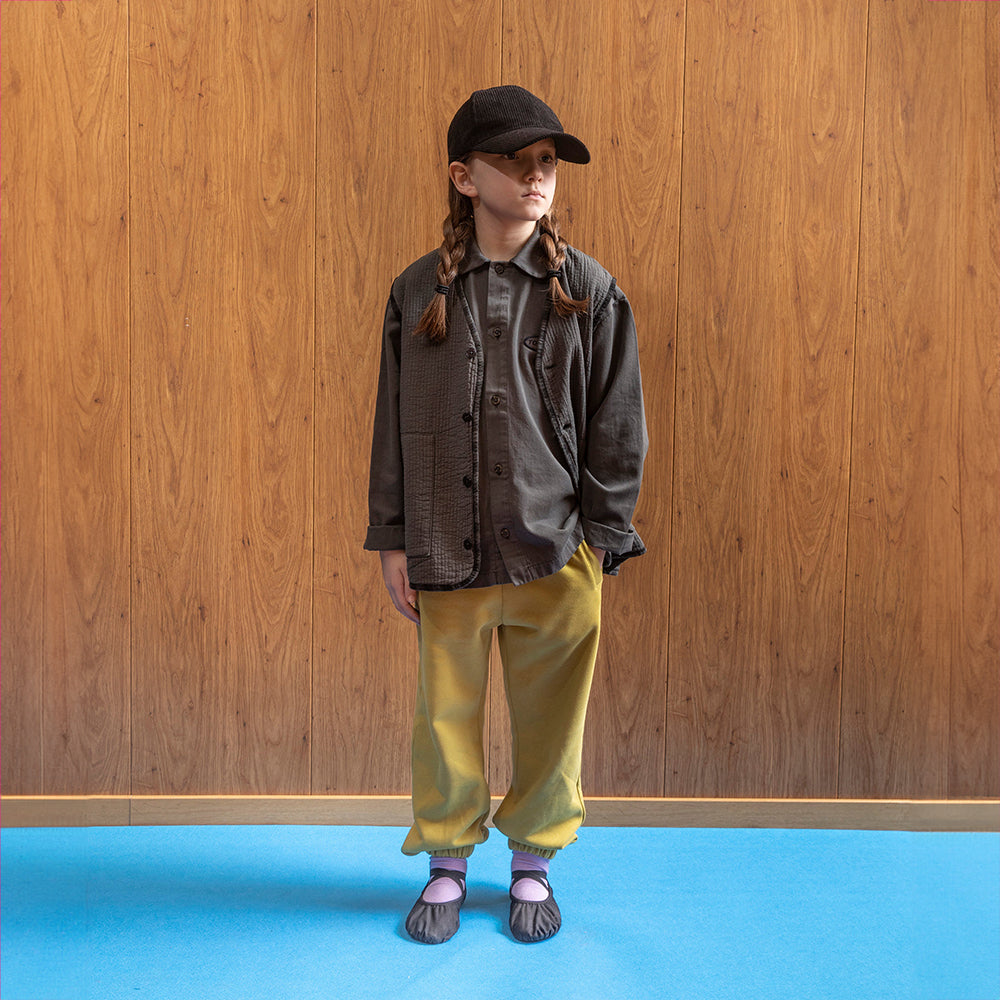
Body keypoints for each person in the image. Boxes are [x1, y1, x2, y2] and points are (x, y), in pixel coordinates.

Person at [364, 84, 647, 945]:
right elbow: (391, 421)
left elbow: (618, 421)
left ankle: (534, 861)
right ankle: (446, 862)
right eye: (515, 162)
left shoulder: (588, 291)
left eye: (547, 163)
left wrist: (601, 539)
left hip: (555, 549)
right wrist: (392, 537)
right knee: (444, 713)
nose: (536, 178)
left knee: (553, 716)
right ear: (463, 176)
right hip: (446, 546)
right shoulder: (417, 293)